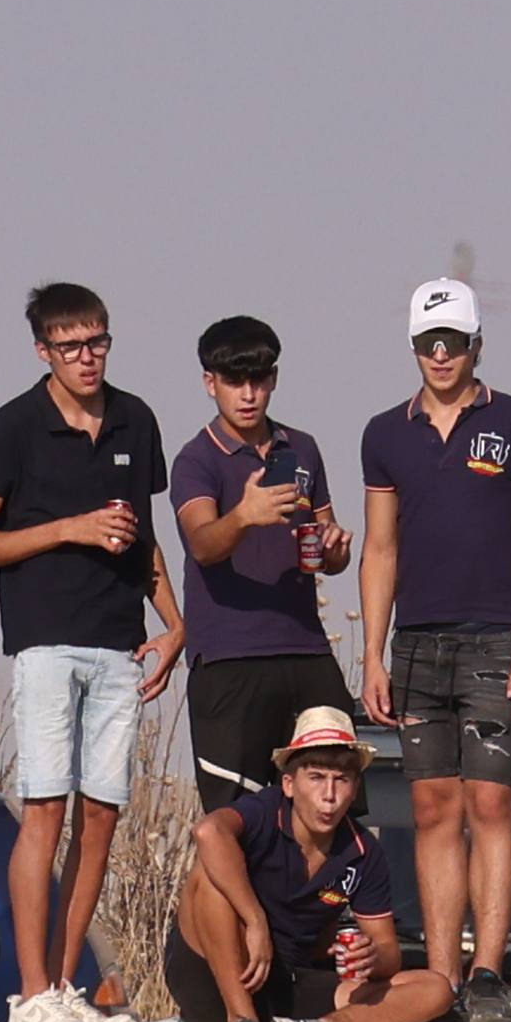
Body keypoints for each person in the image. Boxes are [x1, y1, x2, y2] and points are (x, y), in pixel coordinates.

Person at [0, 282, 185, 1022]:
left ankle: (62, 984)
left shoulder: (136, 419)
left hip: (119, 641)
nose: (88, 359)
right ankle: (29, 998)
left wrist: (173, 625)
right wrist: (68, 529)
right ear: (43, 352)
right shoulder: (11, 428)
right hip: (46, 641)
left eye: (98, 343)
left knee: (103, 815)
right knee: (45, 810)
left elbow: (144, 535)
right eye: (71, 347)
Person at [358, 278, 511, 1022]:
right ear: (412, 347)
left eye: (452, 342)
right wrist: (372, 654)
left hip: (498, 638)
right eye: (426, 343)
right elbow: (379, 548)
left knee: (491, 803)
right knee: (430, 808)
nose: (439, 356)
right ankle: (440, 978)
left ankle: (486, 974)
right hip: (417, 643)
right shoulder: (384, 433)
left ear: (477, 344)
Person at [165, 707, 451, 1022]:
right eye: (316, 777)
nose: (329, 796)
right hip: (214, 978)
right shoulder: (264, 811)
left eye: (342, 779)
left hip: (287, 980)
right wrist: (256, 923)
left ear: (355, 788)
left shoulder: (363, 851)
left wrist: (371, 957)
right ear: (288, 784)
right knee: (211, 873)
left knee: (436, 988)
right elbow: (207, 832)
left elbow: (388, 952)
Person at [170, 317, 355, 811]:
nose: (248, 394)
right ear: (210, 383)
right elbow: (203, 544)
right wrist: (245, 517)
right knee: (236, 822)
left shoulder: (303, 448)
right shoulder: (196, 460)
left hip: (305, 650)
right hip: (231, 659)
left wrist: (336, 550)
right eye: (234, 381)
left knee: (332, 808)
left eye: (259, 379)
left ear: (274, 378)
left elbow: (324, 542)